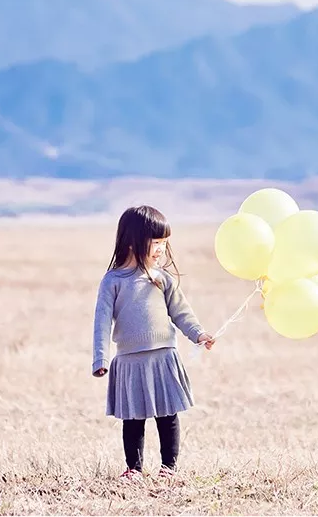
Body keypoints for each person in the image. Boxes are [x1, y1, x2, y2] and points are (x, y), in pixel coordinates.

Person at [92, 205, 215, 481]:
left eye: (164, 242)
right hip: (129, 361)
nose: (161, 248)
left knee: (167, 416)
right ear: (133, 240)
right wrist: (100, 359)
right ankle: (133, 469)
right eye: (155, 242)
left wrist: (198, 334)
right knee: (133, 419)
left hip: (163, 358)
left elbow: (181, 312)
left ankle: (168, 469)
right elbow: (101, 321)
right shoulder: (112, 281)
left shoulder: (162, 280)